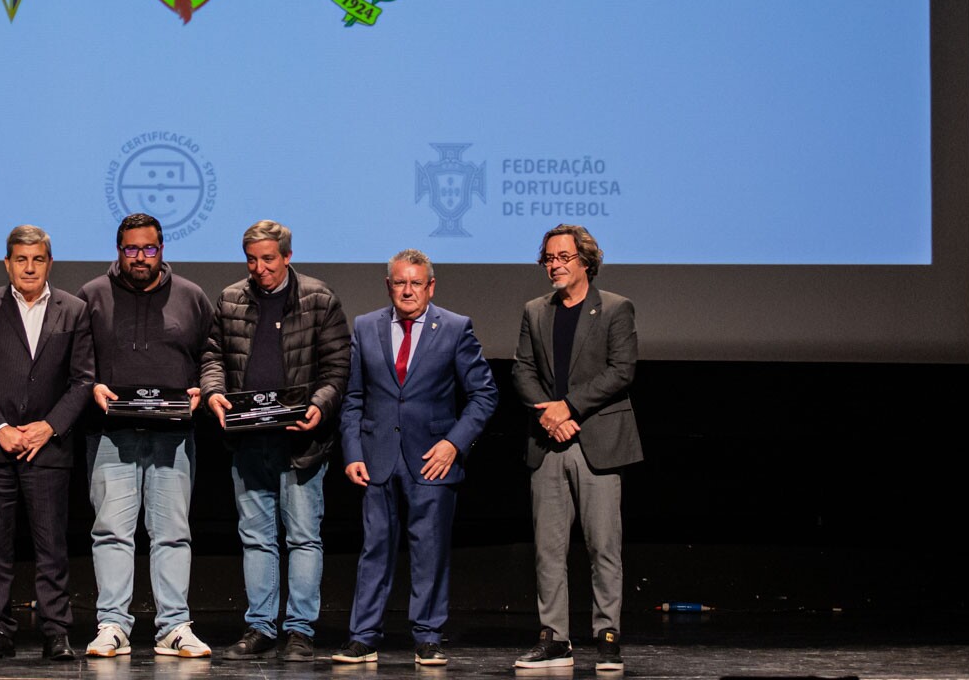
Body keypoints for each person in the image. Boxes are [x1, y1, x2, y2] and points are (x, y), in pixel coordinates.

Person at [332, 249, 498, 668]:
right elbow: (353, 398)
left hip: (432, 459)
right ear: (389, 286)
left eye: (416, 283)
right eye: (400, 283)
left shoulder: (456, 328)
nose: (408, 290)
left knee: (429, 550)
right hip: (377, 458)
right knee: (375, 549)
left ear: (430, 286)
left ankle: (427, 636)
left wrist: (454, 444)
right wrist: (352, 451)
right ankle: (363, 637)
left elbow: (484, 394)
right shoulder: (366, 326)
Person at [201, 219, 350, 660]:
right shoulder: (230, 299)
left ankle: (300, 629)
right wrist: (213, 395)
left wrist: (319, 407)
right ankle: (260, 626)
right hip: (249, 440)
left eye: (268, 258)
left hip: (300, 442)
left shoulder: (318, 298)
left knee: (303, 537)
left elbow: (338, 367)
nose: (259, 268)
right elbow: (212, 356)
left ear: (287, 256)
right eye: (252, 259)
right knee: (256, 538)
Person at [77, 213, 216, 658]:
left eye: (149, 249)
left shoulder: (191, 297)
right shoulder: (92, 296)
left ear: (162, 249)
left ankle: (174, 626)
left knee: (172, 532)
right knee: (112, 533)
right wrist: (91, 385)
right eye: (131, 249)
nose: (140, 257)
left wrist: (203, 389)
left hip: (173, 436)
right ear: (118, 251)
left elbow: (211, 356)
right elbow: (78, 361)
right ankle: (113, 625)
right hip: (111, 435)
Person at [0, 224, 96, 662]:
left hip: (47, 447)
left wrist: (48, 427)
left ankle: (56, 632)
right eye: (21, 259)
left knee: (51, 545)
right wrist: (1, 429)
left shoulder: (73, 310)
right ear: (7, 263)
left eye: (38, 259)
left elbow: (82, 381)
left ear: (49, 263)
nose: (30, 267)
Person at [510, 224, 642, 673]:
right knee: (549, 548)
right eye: (549, 258)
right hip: (548, 441)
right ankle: (554, 639)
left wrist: (568, 407)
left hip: (598, 441)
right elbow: (522, 371)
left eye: (563, 257)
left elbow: (621, 371)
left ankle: (607, 637)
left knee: (604, 545)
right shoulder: (535, 311)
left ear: (586, 261)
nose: (554, 266)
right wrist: (548, 413)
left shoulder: (615, 309)